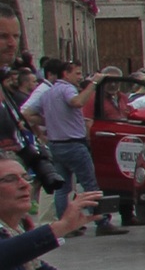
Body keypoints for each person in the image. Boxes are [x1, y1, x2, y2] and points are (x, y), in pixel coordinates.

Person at [23, 63, 123, 236]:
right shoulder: (67, 89)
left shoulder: (48, 92)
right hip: (73, 144)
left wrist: (53, 122)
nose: (80, 77)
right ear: (65, 73)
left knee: (63, 188)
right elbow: (77, 102)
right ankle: (102, 221)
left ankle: (66, 226)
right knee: (90, 185)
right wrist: (94, 84)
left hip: (56, 144)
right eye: (77, 73)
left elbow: (28, 114)